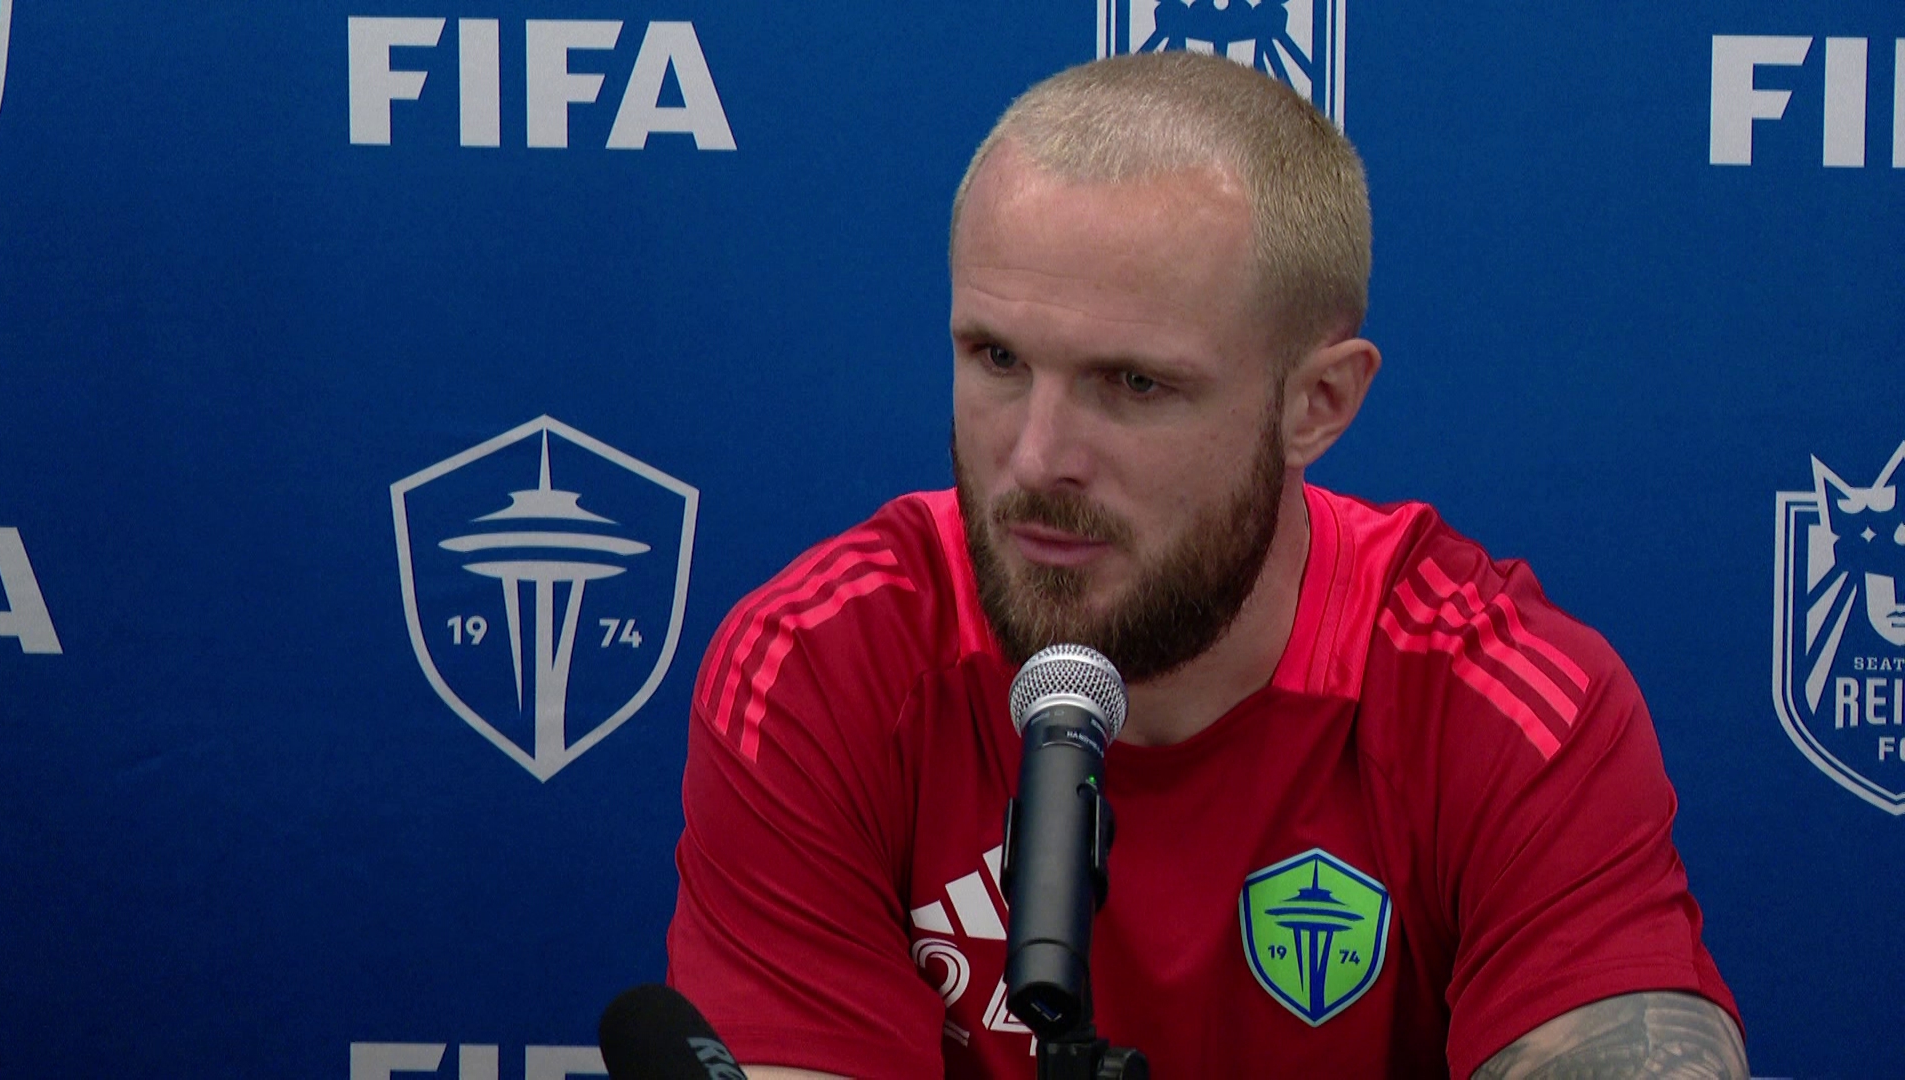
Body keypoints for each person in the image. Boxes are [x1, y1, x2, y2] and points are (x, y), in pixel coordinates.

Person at [666, 52, 1745, 1079]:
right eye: (996, 359)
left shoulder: (1501, 705)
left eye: (1133, 384)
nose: (1036, 459)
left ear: (1317, 403)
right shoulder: (822, 664)